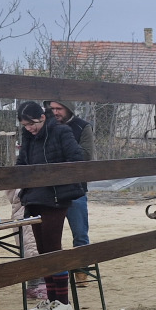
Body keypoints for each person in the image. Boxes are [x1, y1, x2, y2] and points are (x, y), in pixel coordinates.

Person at [16, 101, 86, 310]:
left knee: (53, 246)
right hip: (34, 198)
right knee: (42, 248)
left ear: (43, 117)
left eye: (32, 123)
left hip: (56, 197)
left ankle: (63, 301)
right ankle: (52, 297)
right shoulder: (28, 137)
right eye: (25, 125)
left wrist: (53, 176)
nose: (30, 128)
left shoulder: (61, 131)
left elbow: (76, 158)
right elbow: (22, 162)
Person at [48, 99, 95, 286]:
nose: (55, 112)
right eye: (52, 108)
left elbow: (86, 155)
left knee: (80, 233)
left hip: (76, 188)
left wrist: (62, 149)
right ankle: (56, 275)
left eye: (59, 108)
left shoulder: (82, 126)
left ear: (68, 108)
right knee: (52, 236)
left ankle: (81, 273)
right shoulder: (46, 127)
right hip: (51, 189)